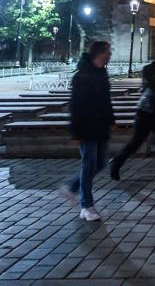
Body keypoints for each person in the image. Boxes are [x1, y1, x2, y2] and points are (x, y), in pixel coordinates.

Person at [58, 40, 114, 221]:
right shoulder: (83, 76)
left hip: (101, 126)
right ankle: (86, 206)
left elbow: (106, 100)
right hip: (87, 127)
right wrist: (76, 132)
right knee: (89, 165)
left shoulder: (101, 73)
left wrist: (111, 119)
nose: (110, 54)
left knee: (100, 163)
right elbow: (75, 105)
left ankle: (72, 187)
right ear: (100, 53)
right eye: (108, 51)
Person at [109, 45, 155, 183]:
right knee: (135, 143)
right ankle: (116, 163)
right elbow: (152, 86)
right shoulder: (148, 69)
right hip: (145, 114)